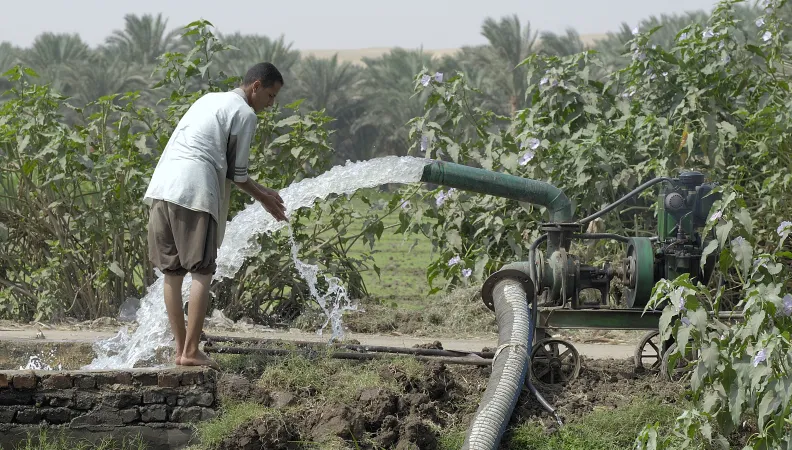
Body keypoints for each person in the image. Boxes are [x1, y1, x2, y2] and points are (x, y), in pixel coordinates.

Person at [144, 62, 289, 369]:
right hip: (194, 192)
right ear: (256, 87)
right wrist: (265, 197)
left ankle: (181, 350)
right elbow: (238, 174)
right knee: (202, 271)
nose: (271, 104)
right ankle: (192, 350)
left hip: (162, 188)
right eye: (271, 96)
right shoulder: (245, 113)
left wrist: (262, 192)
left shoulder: (208, 100)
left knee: (172, 273)